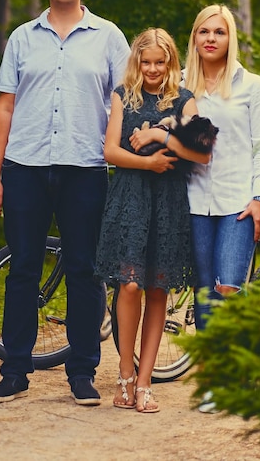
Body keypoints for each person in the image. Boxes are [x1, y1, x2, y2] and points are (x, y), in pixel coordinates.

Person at [0, 0, 130, 405]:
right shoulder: (23, 38)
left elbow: (126, 103)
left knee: (84, 269)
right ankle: (14, 371)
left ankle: (82, 373)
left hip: (85, 167)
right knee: (24, 267)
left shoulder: (108, 38)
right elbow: (5, 106)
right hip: (24, 166)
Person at [95, 28, 211, 413]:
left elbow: (201, 152)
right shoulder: (121, 97)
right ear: (137, 62)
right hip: (130, 199)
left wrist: (161, 132)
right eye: (146, 62)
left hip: (168, 202)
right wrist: (149, 161)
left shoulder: (185, 101)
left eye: (160, 62)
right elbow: (110, 151)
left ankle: (145, 382)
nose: (153, 69)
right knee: (129, 286)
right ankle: (124, 374)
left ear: (171, 62)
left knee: (158, 289)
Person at [183, 4, 260, 412]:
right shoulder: (182, 86)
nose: (210, 39)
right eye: (203, 31)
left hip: (239, 202)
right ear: (194, 38)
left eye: (218, 32)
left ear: (230, 37)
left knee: (228, 288)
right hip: (193, 202)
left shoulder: (252, 86)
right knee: (204, 295)